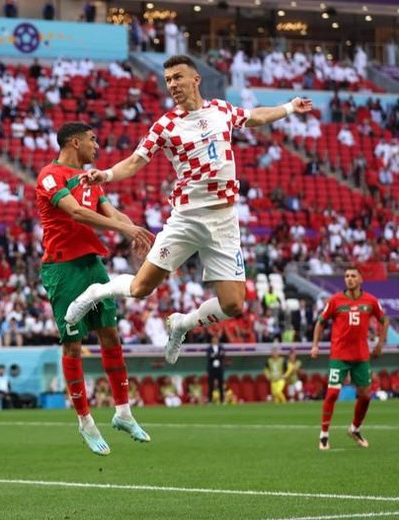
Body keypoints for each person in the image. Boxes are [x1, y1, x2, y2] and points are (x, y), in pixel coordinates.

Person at [65, 55, 313, 366]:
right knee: (141, 288)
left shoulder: (222, 110)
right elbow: (134, 162)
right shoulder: (166, 125)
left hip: (224, 221)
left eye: (178, 78)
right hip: (187, 218)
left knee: (234, 305)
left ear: (195, 79)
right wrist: (106, 175)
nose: (172, 85)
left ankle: (182, 323)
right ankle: (95, 293)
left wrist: (290, 107)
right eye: (168, 80)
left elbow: (257, 116)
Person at [35, 121, 153, 455]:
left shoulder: (91, 180)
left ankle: (123, 412)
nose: (97, 146)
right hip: (62, 267)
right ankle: (85, 422)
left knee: (110, 335)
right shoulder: (50, 175)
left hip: (92, 264)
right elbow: (76, 214)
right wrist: (122, 229)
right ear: (74, 142)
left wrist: (138, 231)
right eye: (92, 140)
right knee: (73, 345)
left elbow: (108, 210)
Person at [312, 266, 388, 450]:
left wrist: (379, 344)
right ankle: (324, 435)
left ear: (361, 279)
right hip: (339, 355)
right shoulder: (335, 300)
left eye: (353, 275)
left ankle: (355, 429)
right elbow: (320, 323)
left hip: (361, 356)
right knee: (332, 394)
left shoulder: (370, 301)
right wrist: (315, 345)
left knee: (366, 396)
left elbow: (384, 320)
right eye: (346, 276)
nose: (349, 279)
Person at [206, 334, 224, 404]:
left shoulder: (221, 347)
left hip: (219, 368)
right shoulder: (209, 348)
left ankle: (222, 400)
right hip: (212, 368)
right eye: (214, 339)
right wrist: (217, 355)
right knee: (210, 385)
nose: (215, 340)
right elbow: (209, 357)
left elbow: (223, 355)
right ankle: (210, 400)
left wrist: (214, 355)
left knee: (221, 384)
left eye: (216, 339)